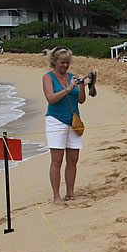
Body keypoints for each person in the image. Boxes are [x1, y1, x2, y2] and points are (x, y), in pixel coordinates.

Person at [42, 47, 87, 204]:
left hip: (73, 121)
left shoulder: (72, 77)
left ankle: (70, 192)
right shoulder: (48, 77)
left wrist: (82, 87)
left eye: (68, 63)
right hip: (55, 120)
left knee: (73, 159)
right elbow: (51, 98)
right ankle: (56, 196)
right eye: (62, 63)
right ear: (54, 62)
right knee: (57, 160)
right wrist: (68, 89)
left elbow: (81, 100)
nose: (65, 66)